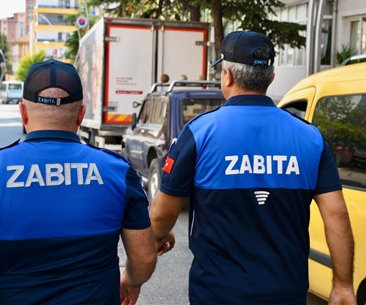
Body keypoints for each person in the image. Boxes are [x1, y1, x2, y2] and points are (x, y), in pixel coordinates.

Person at [149, 31, 355, 305]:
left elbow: (162, 215)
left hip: (217, 295)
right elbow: (337, 215)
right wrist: (343, 285)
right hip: (286, 295)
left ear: (227, 76)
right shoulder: (310, 138)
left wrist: (158, 237)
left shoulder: (199, 133)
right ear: (271, 78)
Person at [0, 59, 157, 305]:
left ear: (23, 113)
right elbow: (144, 259)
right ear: (81, 115)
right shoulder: (117, 171)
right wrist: (130, 281)